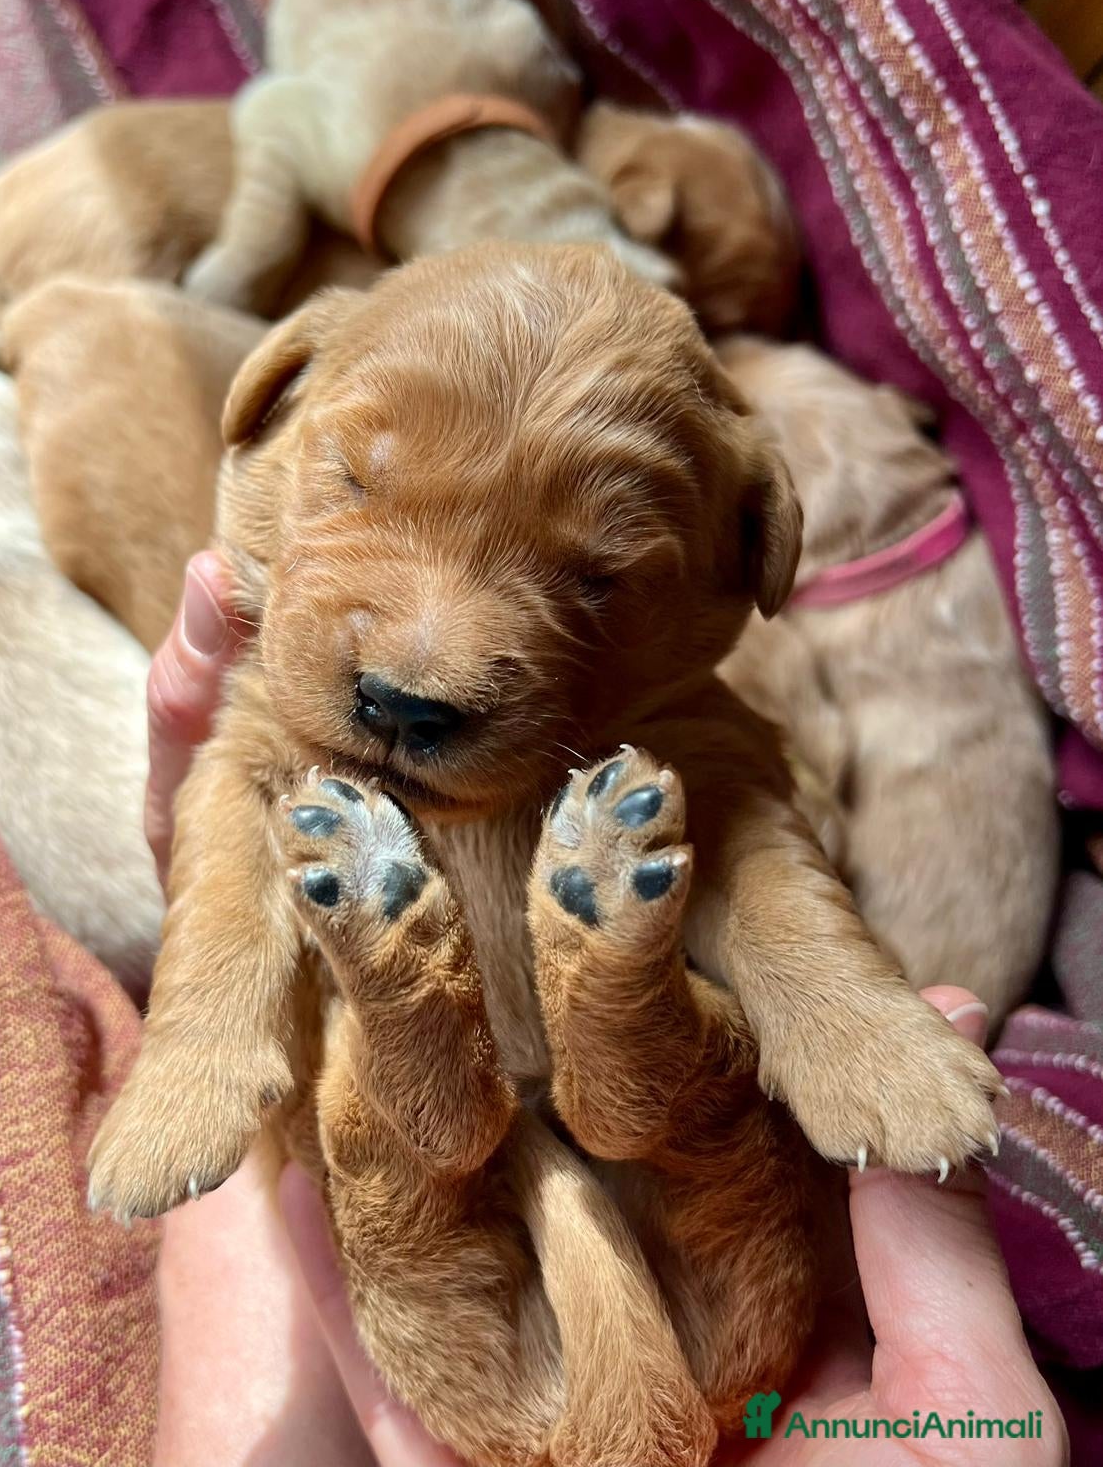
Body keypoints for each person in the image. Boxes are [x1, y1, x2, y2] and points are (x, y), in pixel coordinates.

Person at [147, 553, 1068, 1467]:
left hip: (492, 1385)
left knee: (396, 1155)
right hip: (738, 1354)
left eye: (590, 581)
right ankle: (609, 1011)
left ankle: (431, 1016)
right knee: (701, 1107)